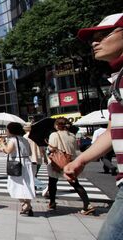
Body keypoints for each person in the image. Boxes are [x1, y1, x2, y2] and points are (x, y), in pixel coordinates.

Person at [65, 13, 123, 239]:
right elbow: (112, 131)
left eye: (103, 35)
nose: (94, 43)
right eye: (93, 39)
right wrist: (80, 160)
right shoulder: (118, 77)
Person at [47, 118, 94, 214]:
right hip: (70, 161)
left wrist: (48, 150)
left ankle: (52, 202)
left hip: (58, 161)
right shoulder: (72, 135)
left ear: (56, 125)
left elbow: (51, 149)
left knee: (52, 182)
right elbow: (75, 148)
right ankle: (87, 204)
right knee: (75, 183)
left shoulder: (54, 135)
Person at [0, 123, 35, 216]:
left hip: (17, 164)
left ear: (11, 130)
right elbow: (29, 152)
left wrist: (2, 143)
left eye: (7, 129)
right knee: (27, 185)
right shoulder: (25, 139)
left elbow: (8, 151)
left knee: (15, 186)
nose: (6, 131)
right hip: (27, 163)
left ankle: (24, 205)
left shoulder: (12, 140)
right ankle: (28, 206)